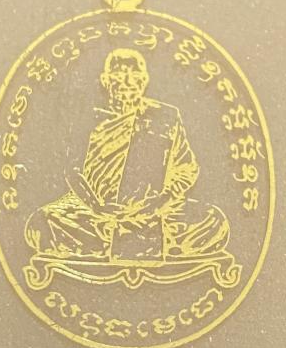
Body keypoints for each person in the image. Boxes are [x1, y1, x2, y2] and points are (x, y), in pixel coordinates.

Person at [25, 48, 230, 262]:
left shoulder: (165, 116)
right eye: (119, 73)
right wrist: (98, 207)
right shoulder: (87, 116)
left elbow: (186, 168)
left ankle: (107, 243)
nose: (127, 80)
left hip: (156, 211)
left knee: (214, 222)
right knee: (41, 224)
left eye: (134, 73)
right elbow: (72, 170)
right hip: (97, 212)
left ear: (145, 80)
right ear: (105, 81)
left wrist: (162, 201)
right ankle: (142, 241)